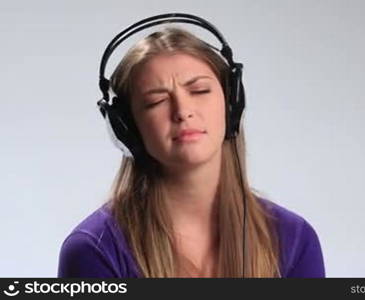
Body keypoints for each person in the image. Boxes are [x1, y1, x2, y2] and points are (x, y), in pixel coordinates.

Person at [57, 23, 325, 278]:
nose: (183, 111)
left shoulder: (294, 240)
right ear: (128, 129)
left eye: (199, 90)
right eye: (156, 101)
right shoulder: (95, 250)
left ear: (232, 106)